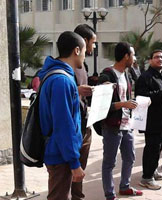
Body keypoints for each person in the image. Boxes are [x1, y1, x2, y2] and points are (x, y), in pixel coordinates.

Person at [38, 31, 86, 200]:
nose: (85, 57)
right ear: (77, 51)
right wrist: (74, 163)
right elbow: (63, 125)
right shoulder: (62, 80)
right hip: (60, 154)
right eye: (85, 51)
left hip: (59, 151)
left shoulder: (58, 76)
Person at [97, 42, 143, 199]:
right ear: (126, 56)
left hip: (127, 124)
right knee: (109, 162)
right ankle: (110, 194)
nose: (134, 58)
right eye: (133, 54)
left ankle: (125, 186)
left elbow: (127, 97)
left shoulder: (127, 74)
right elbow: (101, 106)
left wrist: (133, 103)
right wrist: (124, 104)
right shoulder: (107, 75)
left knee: (130, 157)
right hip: (112, 126)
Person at [136, 50, 162, 190]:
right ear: (150, 60)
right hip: (151, 120)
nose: (160, 60)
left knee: (159, 147)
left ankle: (152, 170)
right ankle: (146, 177)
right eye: (157, 57)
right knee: (152, 148)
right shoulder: (145, 77)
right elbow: (142, 97)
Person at [72, 24, 97, 200]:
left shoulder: (84, 66)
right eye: (93, 43)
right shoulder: (65, 69)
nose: (94, 47)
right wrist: (77, 90)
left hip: (84, 124)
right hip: (72, 127)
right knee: (69, 172)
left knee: (80, 169)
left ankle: (78, 196)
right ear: (84, 41)